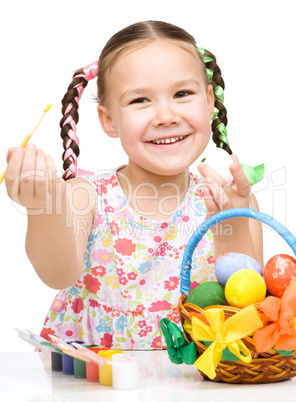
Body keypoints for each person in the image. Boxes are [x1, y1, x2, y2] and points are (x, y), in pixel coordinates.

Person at [5, 20, 263, 350]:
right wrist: (42, 207)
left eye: (182, 94)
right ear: (109, 121)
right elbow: (57, 274)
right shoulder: (86, 196)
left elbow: (244, 312)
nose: (166, 115)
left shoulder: (231, 201)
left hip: (195, 388)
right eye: (140, 100)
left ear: (210, 101)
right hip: (94, 387)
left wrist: (234, 222)